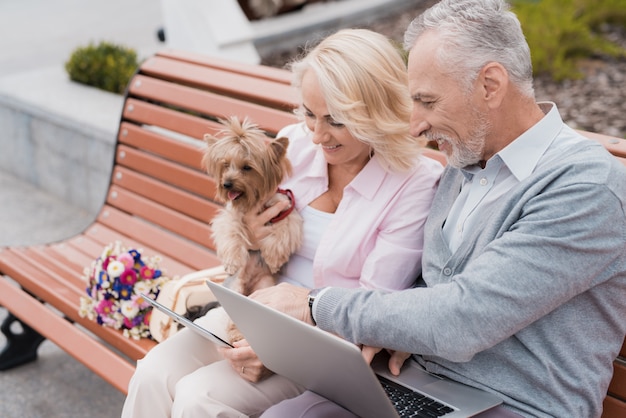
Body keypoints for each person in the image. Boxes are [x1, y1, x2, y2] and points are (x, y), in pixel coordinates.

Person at [255, 1, 626, 417]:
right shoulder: (464, 164)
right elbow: (435, 287)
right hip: (419, 379)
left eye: (427, 102)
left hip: (518, 404)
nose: (415, 125)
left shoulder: (584, 187)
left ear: (490, 85)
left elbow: (465, 317)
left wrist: (313, 304)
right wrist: (389, 326)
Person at [120, 28, 444, 417]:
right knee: (153, 372)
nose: (318, 134)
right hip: (255, 308)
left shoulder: (413, 182)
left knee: (199, 398)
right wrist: (253, 242)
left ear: (376, 112)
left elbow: (372, 307)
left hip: (323, 342)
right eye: (309, 114)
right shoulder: (296, 146)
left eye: (336, 121)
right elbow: (247, 233)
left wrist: (277, 348)